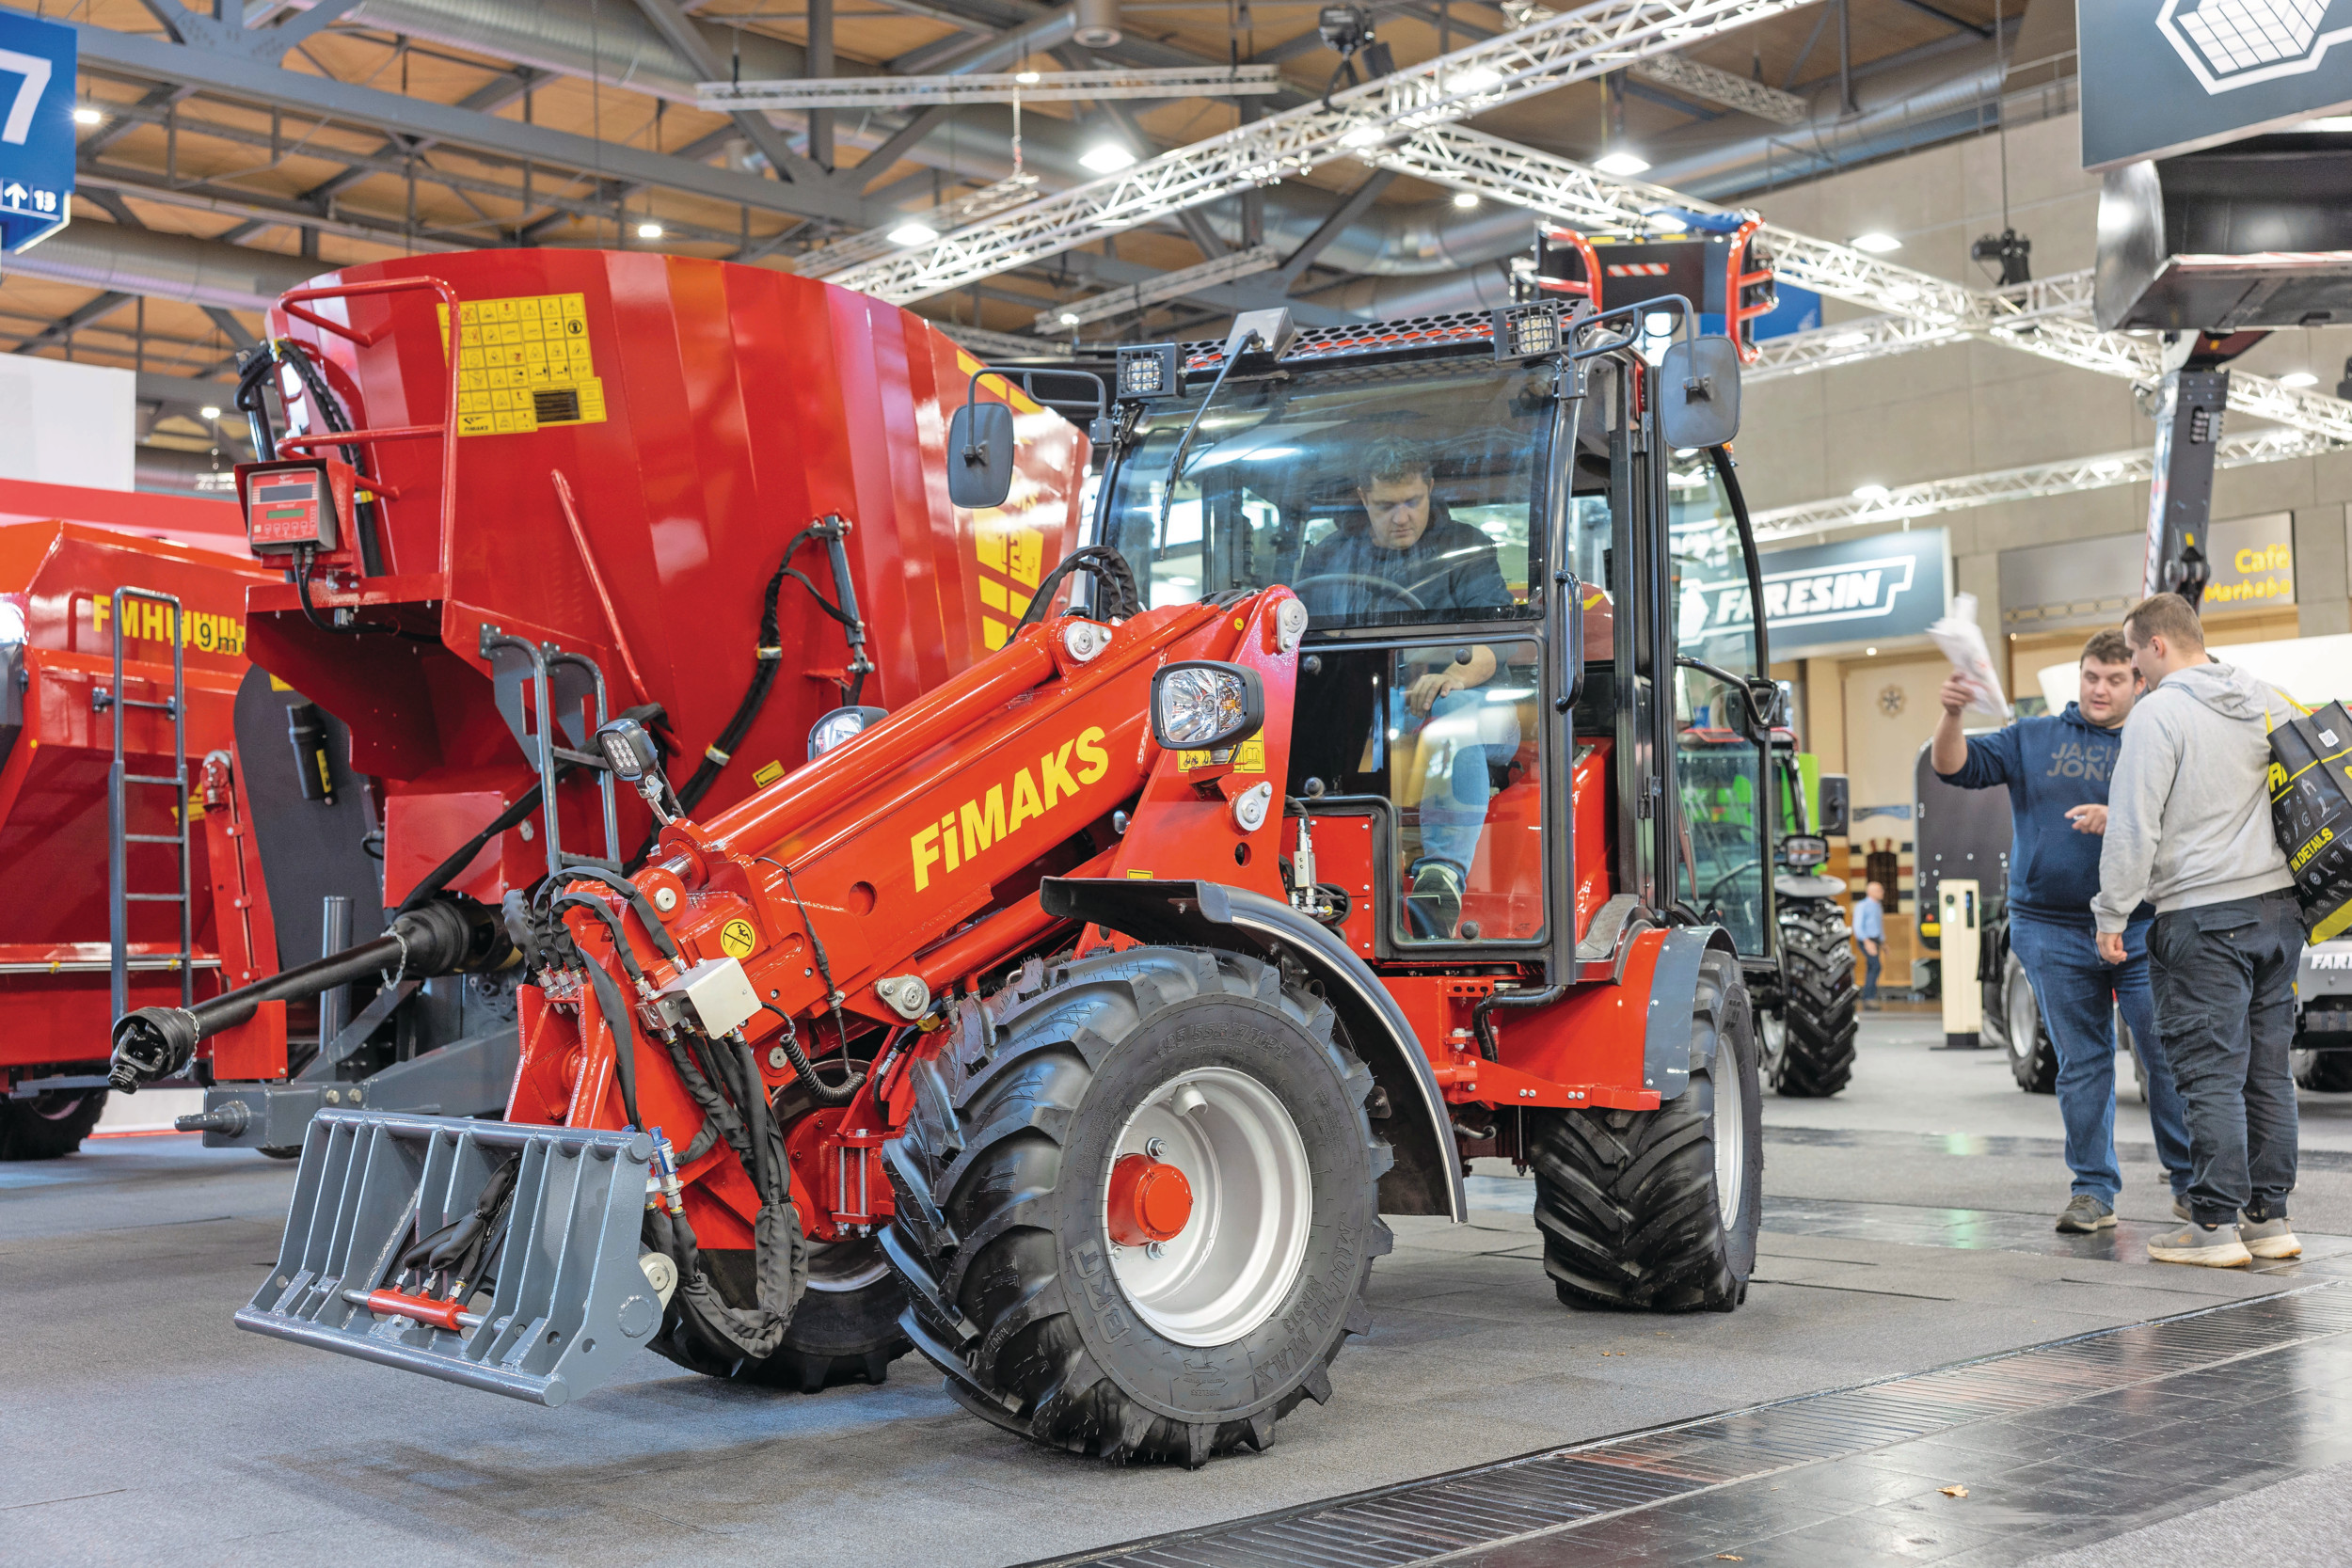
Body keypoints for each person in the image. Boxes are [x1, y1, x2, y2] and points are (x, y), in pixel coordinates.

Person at [1931, 628, 2193, 1235]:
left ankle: (2188, 1182)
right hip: (2051, 928)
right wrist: (1950, 715)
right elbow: (1955, 767)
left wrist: (2122, 818)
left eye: (2115, 679)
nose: (2100, 690)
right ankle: (2093, 1191)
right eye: (2091, 678)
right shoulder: (2033, 737)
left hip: (2143, 926)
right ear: (2080, 678)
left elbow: (2190, 823)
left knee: (2164, 1053)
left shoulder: (2160, 738)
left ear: (2139, 681)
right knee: (2082, 1062)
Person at [2095, 594, 2302, 1269]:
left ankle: (2212, 1225)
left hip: (2204, 915)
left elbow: (2133, 823)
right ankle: (2270, 1221)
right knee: (2268, 1073)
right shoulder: (2262, 695)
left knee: (2209, 1071)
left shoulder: (2159, 712)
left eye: (2132, 655)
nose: (2132, 670)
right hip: (2277, 908)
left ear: (2157, 646)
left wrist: (2112, 912)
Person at [1295, 439, 1513, 937]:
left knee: (1454, 713)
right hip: (1376, 707)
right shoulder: (1329, 558)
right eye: (1385, 505)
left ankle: (1440, 880)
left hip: (1481, 708)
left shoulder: (1468, 547)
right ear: (1362, 498)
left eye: (1412, 502)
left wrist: (1453, 675)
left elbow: (1495, 644)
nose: (1401, 517)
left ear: (1430, 490)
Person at [1854, 881, 1885, 1007]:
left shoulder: (1878, 906)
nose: (1882, 892)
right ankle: (1868, 996)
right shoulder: (1862, 906)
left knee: (1873, 966)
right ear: (1870, 892)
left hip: (1876, 939)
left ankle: (1870, 995)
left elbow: (1879, 926)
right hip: (1866, 940)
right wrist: (1867, 942)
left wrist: (1883, 942)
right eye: (1879, 890)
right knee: (1875, 965)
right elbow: (1857, 926)